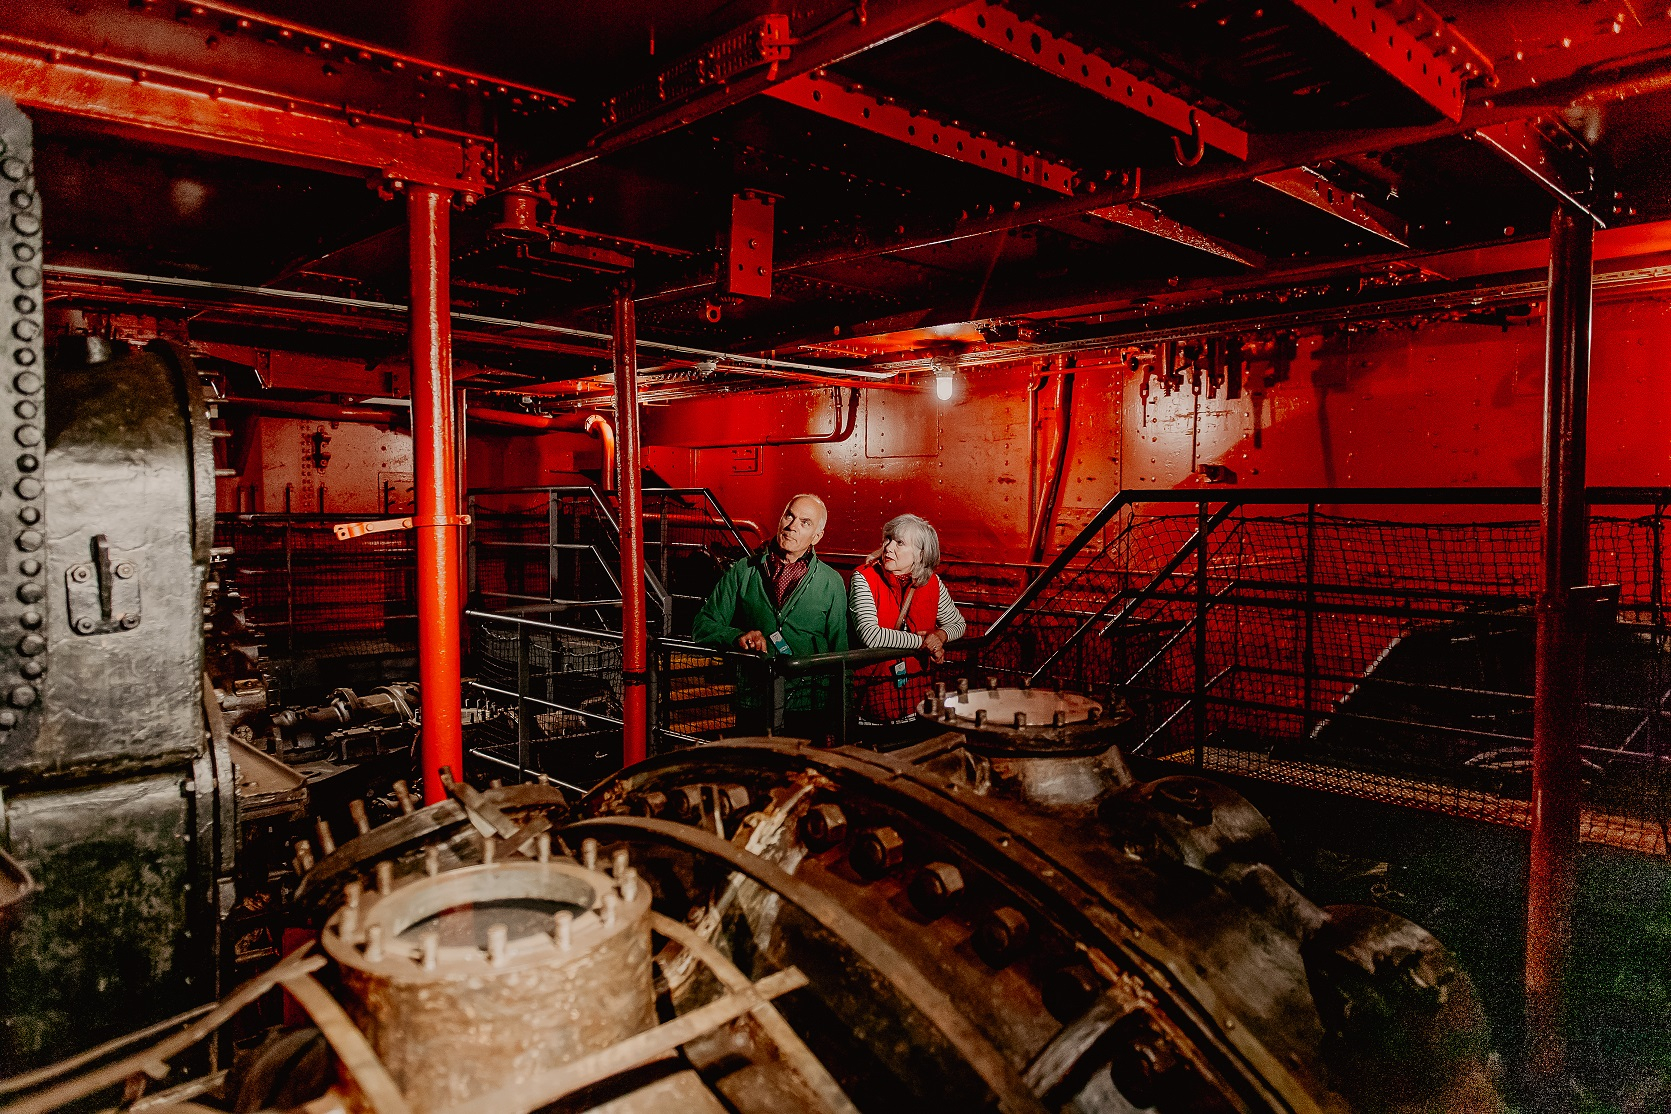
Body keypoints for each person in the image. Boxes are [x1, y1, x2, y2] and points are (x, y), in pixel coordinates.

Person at [691, 493, 848, 737]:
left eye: (805, 523)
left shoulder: (831, 582)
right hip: (755, 701)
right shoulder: (744, 571)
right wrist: (737, 636)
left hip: (810, 706)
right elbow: (702, 626)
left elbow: (842, 653)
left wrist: (842, 717)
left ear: (817, 536)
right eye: (789, 516)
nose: (792, 526)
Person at [849, 513, 966, 726]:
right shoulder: (864, 578)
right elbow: (870, 635)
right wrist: (924, 643)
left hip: (916, 699)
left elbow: (958, 624)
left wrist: (940, 635)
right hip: (872, 702)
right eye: (888, 539)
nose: (888, 547)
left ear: (920, 554)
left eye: (899, 543)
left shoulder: (932, 583)